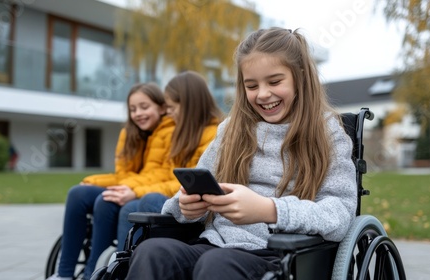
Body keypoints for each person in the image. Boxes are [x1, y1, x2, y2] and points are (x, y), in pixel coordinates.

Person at [124, 27, 358, 280]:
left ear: (300, 76)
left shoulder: (327, 132)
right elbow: (194, 191)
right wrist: (185, 207)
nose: (263, 94)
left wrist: (270, 210)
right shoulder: (231, 129)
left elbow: (339, 213)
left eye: (275, 81)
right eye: (251, 85)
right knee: (152, 252)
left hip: (283, 255)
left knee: (217, 265)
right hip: (214, 244)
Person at [47, 82, 175, 280]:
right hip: (130, 186)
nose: (138, 113)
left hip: (148, 191)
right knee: (78, 193)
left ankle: (93, 274)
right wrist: (94, 180)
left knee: (105, 200)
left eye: (144, 107)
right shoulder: (129, 133)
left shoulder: (171, 132)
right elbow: (122, 174)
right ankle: (63, 274)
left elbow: (163, 175)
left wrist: (130, 189)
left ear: (161, 107)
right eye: (133, 109)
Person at [106, 70, 224, 251]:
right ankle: (122, 266)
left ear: (187, 105)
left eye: (171, 108)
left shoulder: (213, 134)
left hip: (198, 210)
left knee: (144, 202)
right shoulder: (183, 135)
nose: (168, 114)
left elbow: (188, 183)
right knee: (128, 207)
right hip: (181, 200)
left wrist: (136, 190)